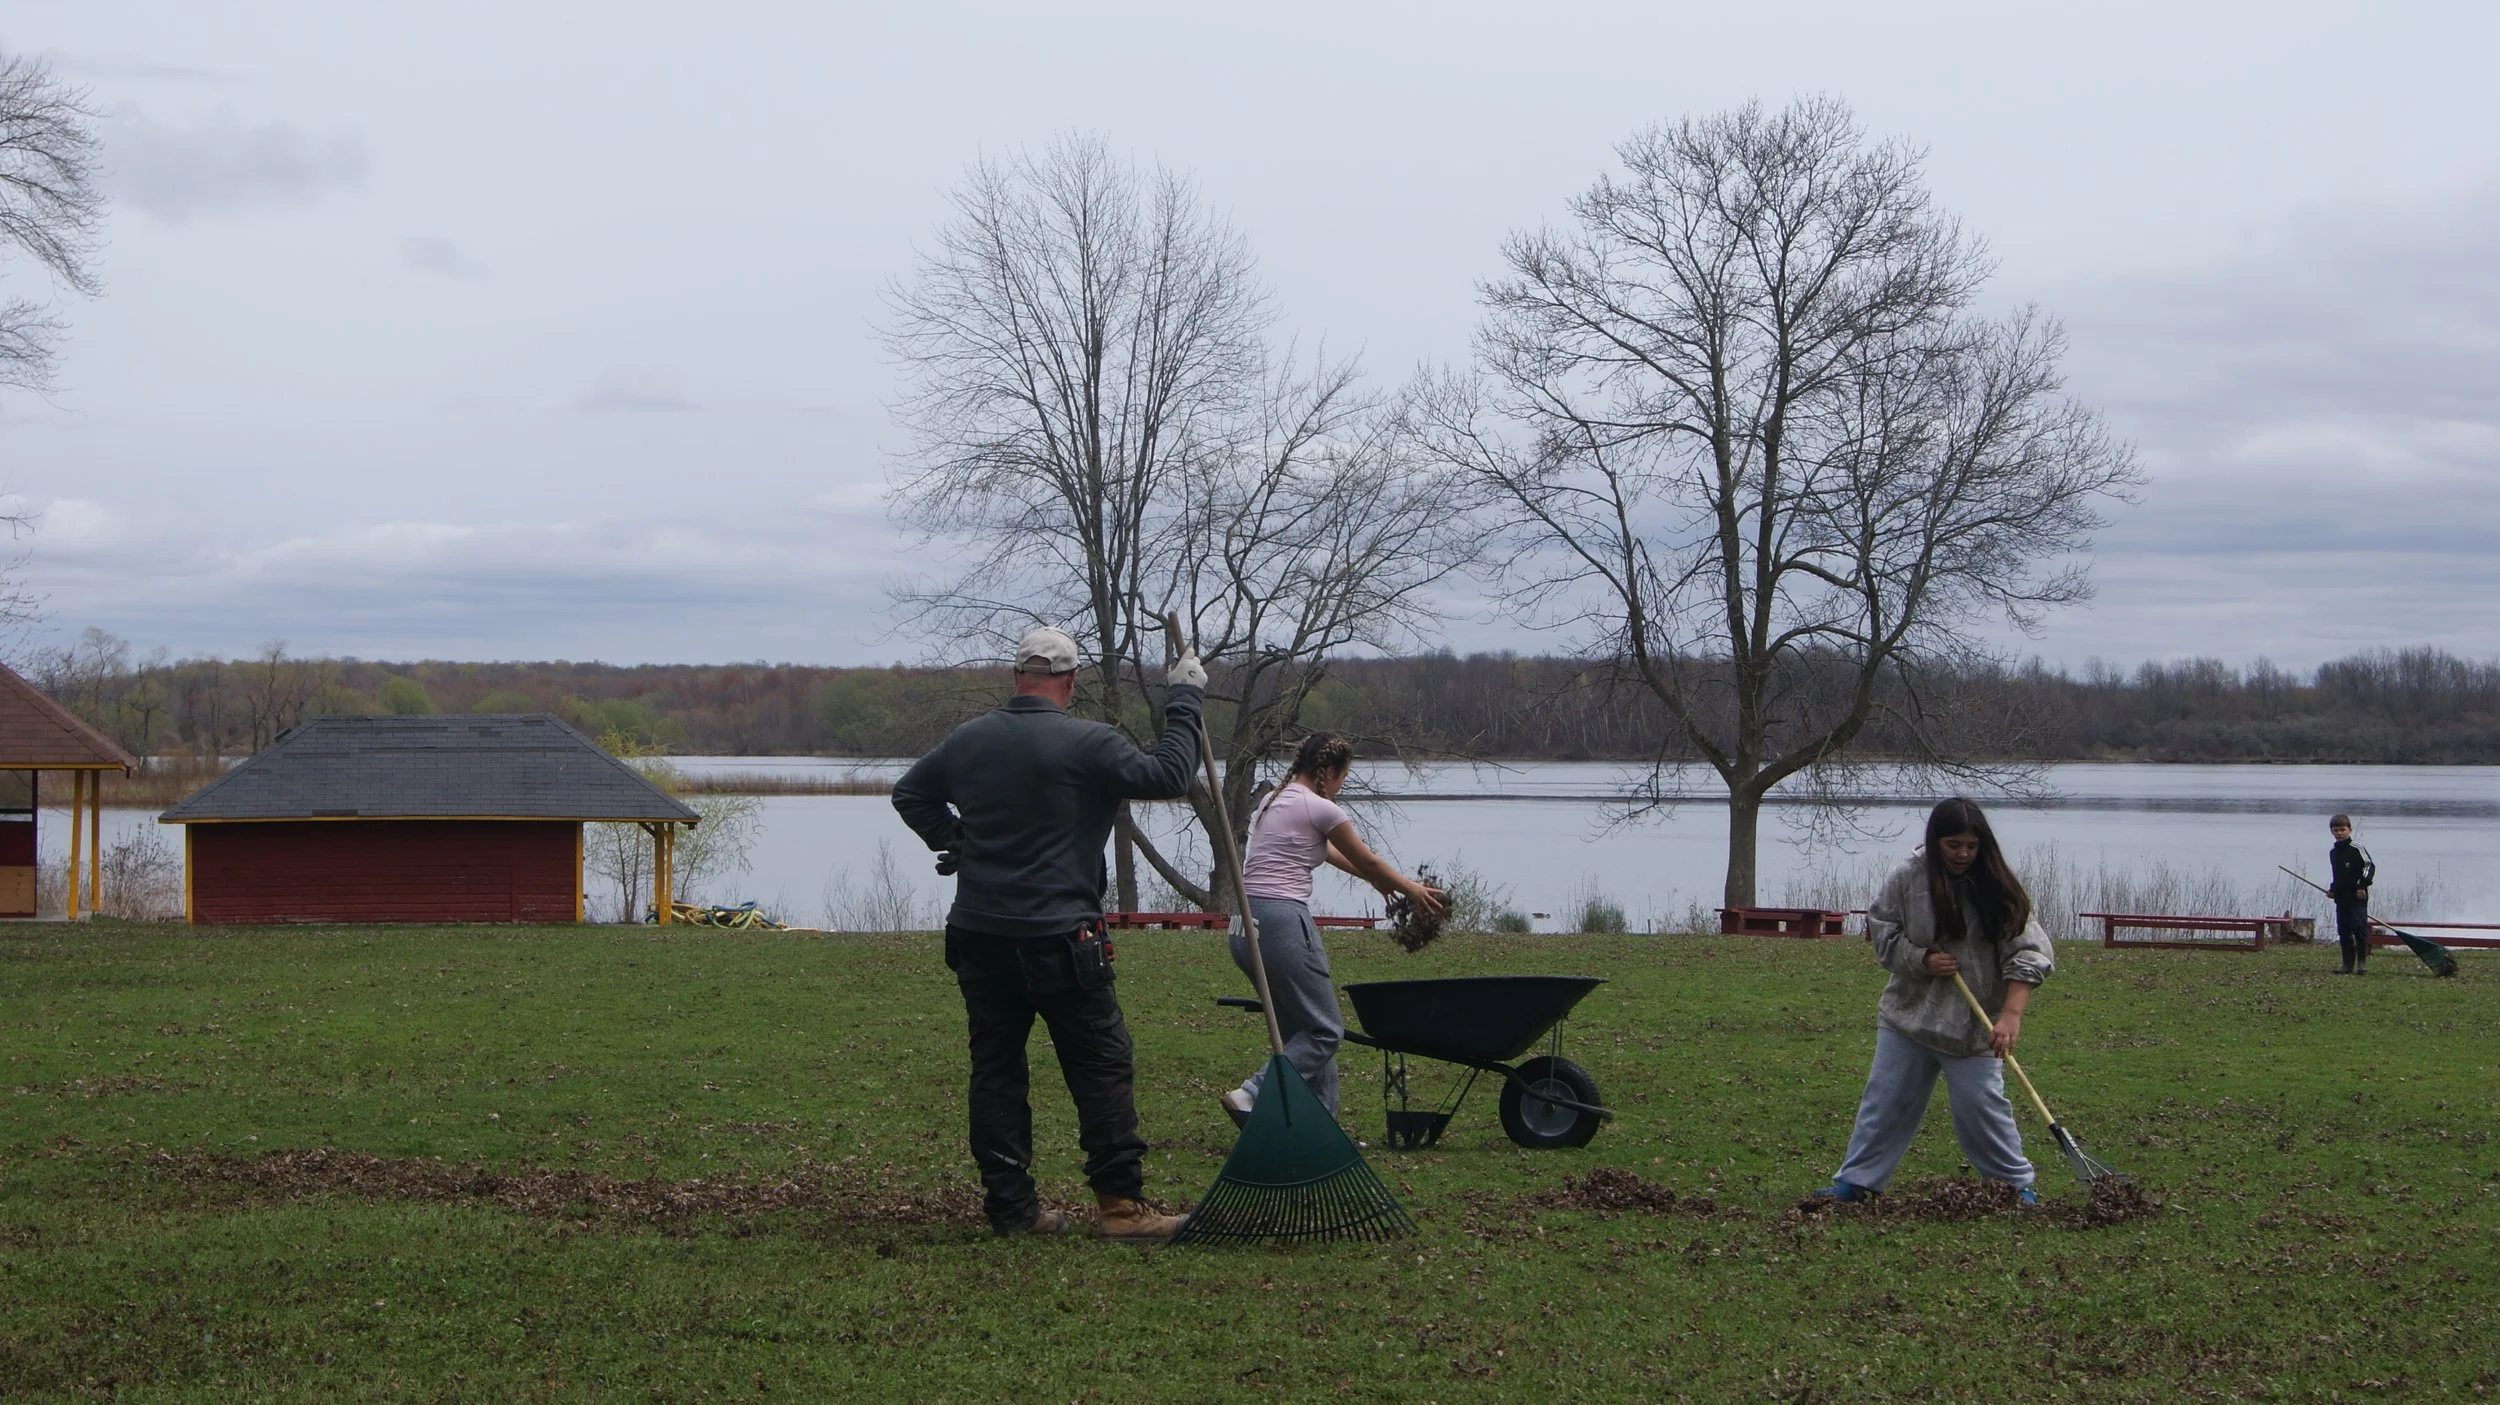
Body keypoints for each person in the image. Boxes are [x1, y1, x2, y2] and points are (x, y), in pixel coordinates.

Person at [892, 625, 1206, 1241]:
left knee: (997, 1071)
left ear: (1017, 678)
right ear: (1070, 682)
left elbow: (911, 794)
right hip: (1063, 939)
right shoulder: (1087, 741)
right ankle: (1119, 1209)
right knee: (1100, 1066)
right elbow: (1170, 774)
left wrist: (957, 840)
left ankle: (1012, 1210)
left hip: (980, 937)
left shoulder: (969, 740)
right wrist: (1185, 699)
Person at [1811, 797, 2055, 1206]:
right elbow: (1884, 934)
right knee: (1885, 1102)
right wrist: (1922, 959)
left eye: (1971, 846)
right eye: (1953, 845)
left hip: (1974, 1028)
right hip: (1908, 1018)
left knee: (1982, 1111)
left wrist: (2011, 1015)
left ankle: (2014, 1188)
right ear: (1935, 840)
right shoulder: (1907, 877)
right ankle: (1856, 1183)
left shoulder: (1997, 886)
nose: (1962, 854)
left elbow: (2031, 953)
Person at [1218, 732, 1444, 1125]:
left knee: (1303, 1036)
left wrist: (1375, 881)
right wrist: (1412, 889)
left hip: (1243, 927)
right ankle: (1251, 1093)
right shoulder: (1319, 808)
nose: (1341, 786)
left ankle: (1319, 1125)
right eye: (1342, 777)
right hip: (1281, 924)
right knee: (1325, 1032)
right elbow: (1368, 859)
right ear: (1327, 771)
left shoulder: (1274, 800)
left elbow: (1330, 852)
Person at [2327, 813, 2376, 975]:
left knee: (2359, 928)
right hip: (2342, 898)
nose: (2339, 833)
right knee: (2344, 930)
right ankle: (2347, 964)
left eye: (2342, 829)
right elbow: (2337, 875)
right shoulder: (2333, 853)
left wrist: (2362, 885)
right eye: (2336, 830)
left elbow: (2369, 867)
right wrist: (2333, 889)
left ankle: (2362, 963)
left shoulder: (2357, 848)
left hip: (2357, 897)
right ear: (2331, 832)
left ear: (2349, 830)